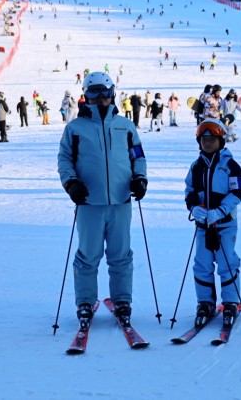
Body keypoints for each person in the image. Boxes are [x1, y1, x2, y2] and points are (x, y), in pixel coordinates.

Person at [58, 72, 148, 327]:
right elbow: (65, 159)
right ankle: (85, 302)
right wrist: (71, 183)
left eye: (104, 93)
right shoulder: (75, 128)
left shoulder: (125, 126)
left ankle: (122, 301)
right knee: (88, 255)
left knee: (121, 255)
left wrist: (140, 178)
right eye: (94, 93)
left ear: (112, 94)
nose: (100, 99)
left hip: (120, 201)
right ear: (86, 96)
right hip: (89, 202)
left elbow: (138, 157)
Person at [184, 119, 241, 329]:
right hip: (203, 225)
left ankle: (230, 303)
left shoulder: (229, 165)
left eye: (212, 139)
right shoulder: (196, 166)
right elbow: (189, 191)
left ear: (221, 140)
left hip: (225, 225)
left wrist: (220, 211)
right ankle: (205, 303)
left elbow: (237, 193)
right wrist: (194, 208)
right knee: (201, 264)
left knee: (227, 262)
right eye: (204, 139)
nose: (208, 143)